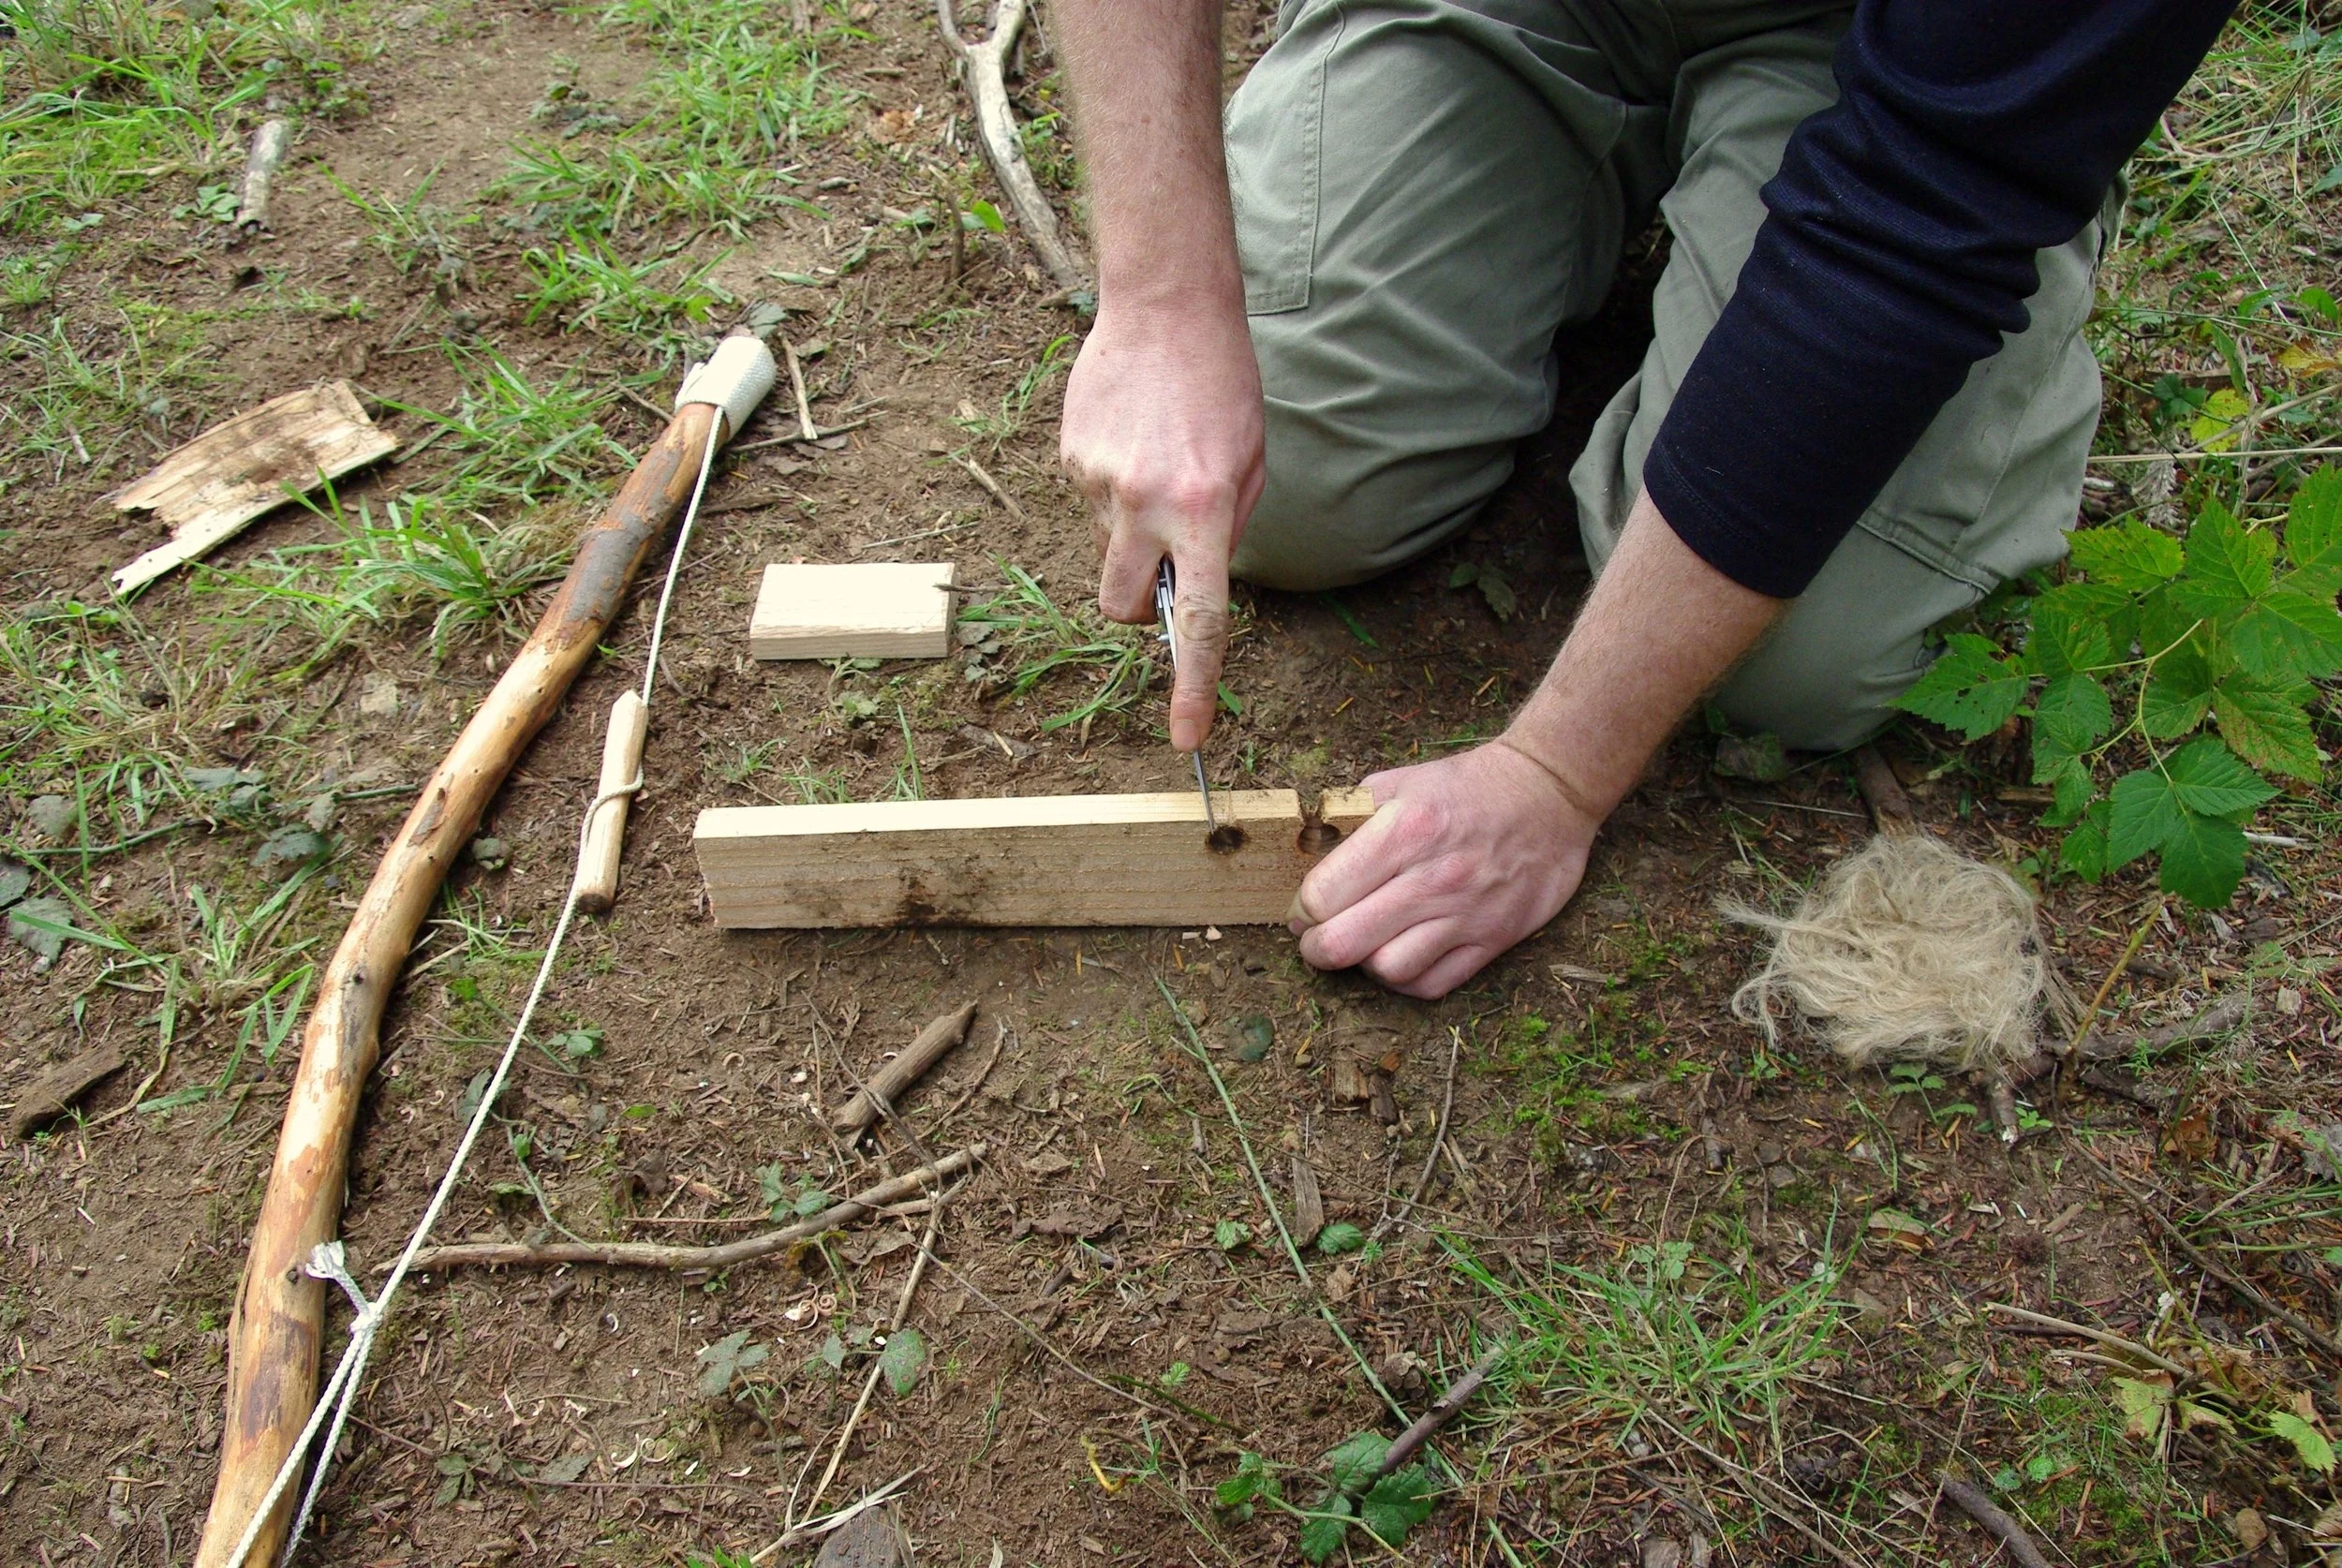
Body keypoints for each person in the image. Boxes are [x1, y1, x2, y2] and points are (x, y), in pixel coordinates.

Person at [1054, 0, 2237, 999]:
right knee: (1288, 492)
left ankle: (1745, 230)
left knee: (1792, 664)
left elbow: (1919, 219)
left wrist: (1555, 773)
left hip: (1900, 63)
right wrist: (1164, 299)